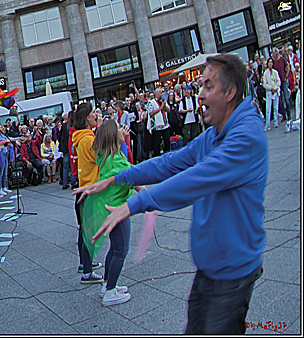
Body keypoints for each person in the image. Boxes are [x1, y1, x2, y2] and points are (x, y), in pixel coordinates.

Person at [76, 54, 267, 334]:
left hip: (232, 271)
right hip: (212, 266)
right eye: (200, 86)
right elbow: (171, 162)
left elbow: (196, 179)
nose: (199, 94)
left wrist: (134, 204)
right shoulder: (214, 133)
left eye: (208, 86)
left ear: (230, 93)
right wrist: (117, 178)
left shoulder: (245, 136)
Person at [81, 120, 140, 306]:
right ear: (113, 136)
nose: (123, 129)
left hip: (109, 207)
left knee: (114, 248)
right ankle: (110, 292)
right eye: (118, 128)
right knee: (121, 250)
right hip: (117, 208)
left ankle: (108, 285)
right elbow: (136, 179)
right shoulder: (116, 160)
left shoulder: (107, 156)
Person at [71, 102, 103, 284]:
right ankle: (87, 272)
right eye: (92, 113)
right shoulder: (87, 139)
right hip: (90, 187)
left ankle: (85, 264)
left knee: (84, 229)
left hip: (84, 187)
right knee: (88, 231)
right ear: (86, 118)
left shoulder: (81, 137)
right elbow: (99, 158)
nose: (95, 115)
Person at [262, 58, 281, 131]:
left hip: (275, 91)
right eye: (269, 62)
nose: (270, 64)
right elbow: (264, 84)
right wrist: (270, 88)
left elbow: (278, 81)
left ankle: (276, 122)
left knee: (275, 108)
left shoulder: (275, 72)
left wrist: (275, 88)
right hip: (269, 92)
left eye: (271, 62)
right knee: (268, 109)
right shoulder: (265, 73)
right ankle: (268, 125)